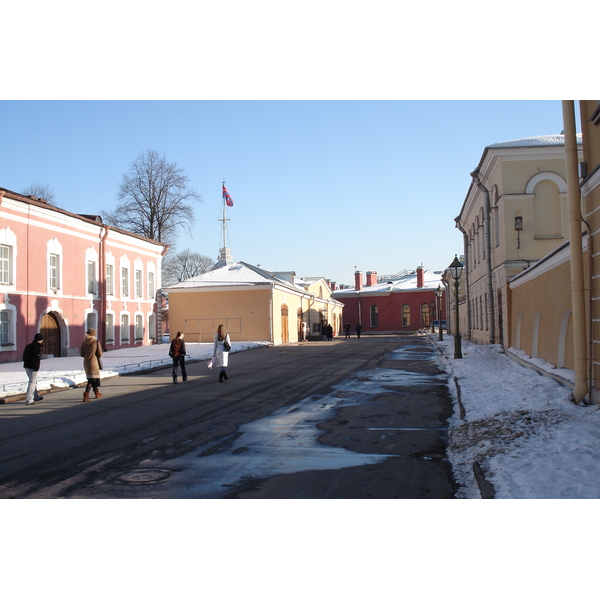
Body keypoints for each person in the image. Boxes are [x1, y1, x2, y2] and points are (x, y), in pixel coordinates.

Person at [80, 328, 103, 401]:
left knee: (92, 378)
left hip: (86, 362)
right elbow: (99, 354)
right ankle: (86, 395)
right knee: (92, 379)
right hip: (94, 361)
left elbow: (82, 354)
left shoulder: (84, 343)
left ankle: (96, 393)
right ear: (94, 334)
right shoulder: (95, 342)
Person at [23, 333, 44, 405]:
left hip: (26, 366)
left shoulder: (28, 346)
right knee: (32, 383)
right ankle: (29, 399)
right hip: (33, 367)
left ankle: (36, 396)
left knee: (33, 381)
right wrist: (36, 367)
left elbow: (24, 356)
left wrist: (26, 363)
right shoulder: (37, 348)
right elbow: (36, 358)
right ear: (40, 340)